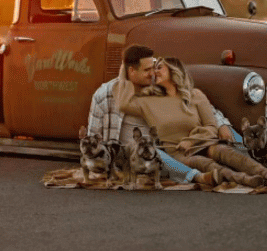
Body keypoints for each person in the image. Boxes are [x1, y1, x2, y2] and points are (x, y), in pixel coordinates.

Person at [116, 56, 267, 187]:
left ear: (174, 71)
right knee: (204, 163)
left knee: (224, 152)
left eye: (159, 68)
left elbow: (211, 126)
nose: (155, 72)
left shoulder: (195, 95)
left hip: (203, 142)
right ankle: (246, 180)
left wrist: (191, 141)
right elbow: (122, 103)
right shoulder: (148, 101)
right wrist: (126, 69)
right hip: (177, 152)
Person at [87, 45, 221, 186]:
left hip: (166, 152)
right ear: (131, 71)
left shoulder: (160, 85)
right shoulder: (104, 95)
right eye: (147, 70)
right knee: (152, 151)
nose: (153, 73)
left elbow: (198, 104)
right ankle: (197, 177)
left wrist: (222, 124)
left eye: (153, 67)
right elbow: (92, 138)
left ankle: (224, 174)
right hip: (127, 157)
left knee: (156, 151)